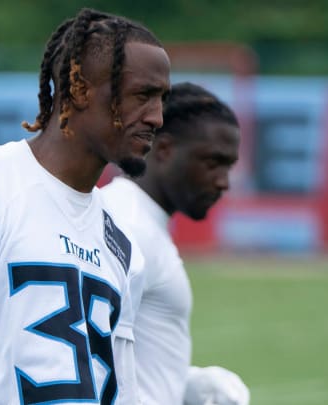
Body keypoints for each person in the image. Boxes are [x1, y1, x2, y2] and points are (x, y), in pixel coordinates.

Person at [0, 8, 170, 405]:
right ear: (80, 88)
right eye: (142, 95)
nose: (157, 117)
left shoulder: (122, 246)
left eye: (162, 99)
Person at [101, 83, 250, 405]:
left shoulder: (135, 220)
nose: (224, 182)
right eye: (213, 162)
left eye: (229, 166)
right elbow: (88, 355)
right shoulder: (128, 227)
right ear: (165, 150)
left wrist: (192, 385)